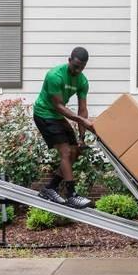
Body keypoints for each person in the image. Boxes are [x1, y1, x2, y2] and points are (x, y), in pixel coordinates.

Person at [33, 46, 94, 209]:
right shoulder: (55, 75)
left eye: (81, 68)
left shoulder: (82, 81)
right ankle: (71, 195)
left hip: (58, 116)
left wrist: (82, 137)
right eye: (75, 66)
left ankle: (50, 188)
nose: (77, 70)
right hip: (44, 114)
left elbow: (82, 109)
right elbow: (59, 106)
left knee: (75, 151)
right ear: (69, 61)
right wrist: (82, 120)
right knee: (65, 152)